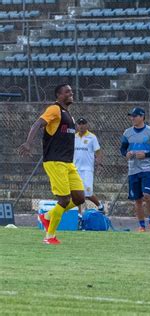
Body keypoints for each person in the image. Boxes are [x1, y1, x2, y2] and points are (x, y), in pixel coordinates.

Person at [19, 84, 85, 244]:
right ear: (59, 95)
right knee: (63, 200)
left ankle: (47, 216)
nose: (71, 93)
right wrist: (28, 143)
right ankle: (49, 237)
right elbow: (36, 124)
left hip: (68, 163)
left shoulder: (68, 114)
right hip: (55, 161)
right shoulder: (54, 109)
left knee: (79, 198)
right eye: (67, 91)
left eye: (71, 91)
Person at [120, 107, 150, 232]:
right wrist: (125, 154)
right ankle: (141, 225)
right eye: (131, 116)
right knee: (137, 199)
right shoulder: (127, 132)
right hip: (133, 169)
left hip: (147, 168)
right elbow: (123, 148)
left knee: (147, 195)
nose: (132, 118)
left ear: (142, 117)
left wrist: (146, 155)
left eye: (135, 116)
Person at [73, 118, 105, 213]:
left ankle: (100, 206)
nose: (81, 126)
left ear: (87, 125)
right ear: (77, 125)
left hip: (87, 169)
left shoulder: (92, 137)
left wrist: (99, 164)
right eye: (79, 124)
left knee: (87, 192)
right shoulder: (74, 137)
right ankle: (79, 214)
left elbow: (98, 152)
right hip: (75, 168)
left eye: (83, 124)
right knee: (76, 192)